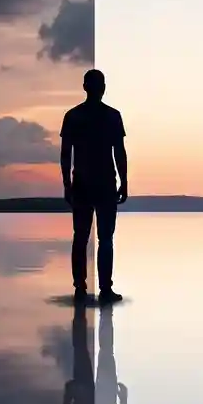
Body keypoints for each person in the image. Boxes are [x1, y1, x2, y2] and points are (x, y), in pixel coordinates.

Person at [60, 68, 127, 302]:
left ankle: (81, 288)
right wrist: (124, 181)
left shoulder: (73, 116)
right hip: (104, 184)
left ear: (85, 87)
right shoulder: (112, 116)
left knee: (81, 236)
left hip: (83, 184)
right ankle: (104, 289)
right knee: (104, 238)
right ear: (103, 88)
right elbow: (119, 152)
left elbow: (65, 155)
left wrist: (66, 184)